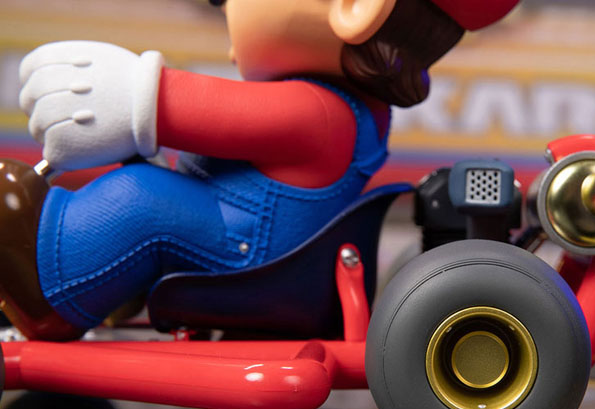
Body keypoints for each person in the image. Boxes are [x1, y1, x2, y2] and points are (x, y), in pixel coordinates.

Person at [0, 0, 518, 341]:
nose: (231, 38)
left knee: (141, 196)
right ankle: (108, 279)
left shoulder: (321, 112)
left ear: (354, 8)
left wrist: (134, 91)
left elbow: (185, 107)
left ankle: (50, 287)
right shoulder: (350, 109)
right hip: (247, 244)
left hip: (248, 257)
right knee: (144, 174)